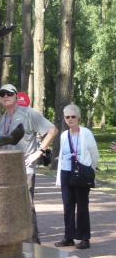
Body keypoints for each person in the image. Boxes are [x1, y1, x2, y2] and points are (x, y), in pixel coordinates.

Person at [0, 84, 58, 244]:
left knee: (26, 208)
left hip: (25, 170)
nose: (5, 96)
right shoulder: (3, 118)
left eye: (9, 93)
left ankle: (34, 246)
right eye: (2, 94)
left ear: (16, 96)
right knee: (11, 208)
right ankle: (16, 244)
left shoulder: (29, 114)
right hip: (7, 172)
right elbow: (2, 142)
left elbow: (52, 130)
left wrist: (40, 152)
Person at [55, 104, 99, 249]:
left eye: (73, 116)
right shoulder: (63, 135)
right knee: (68, 206)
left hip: (81, 173)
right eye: (67, 117)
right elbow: (62, 156)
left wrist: (90, 170)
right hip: (66, 173)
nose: (70, 119)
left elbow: (94, 153)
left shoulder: (86, 133)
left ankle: (84, 238)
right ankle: (68, 237)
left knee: (82, 206)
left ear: (78, 118)